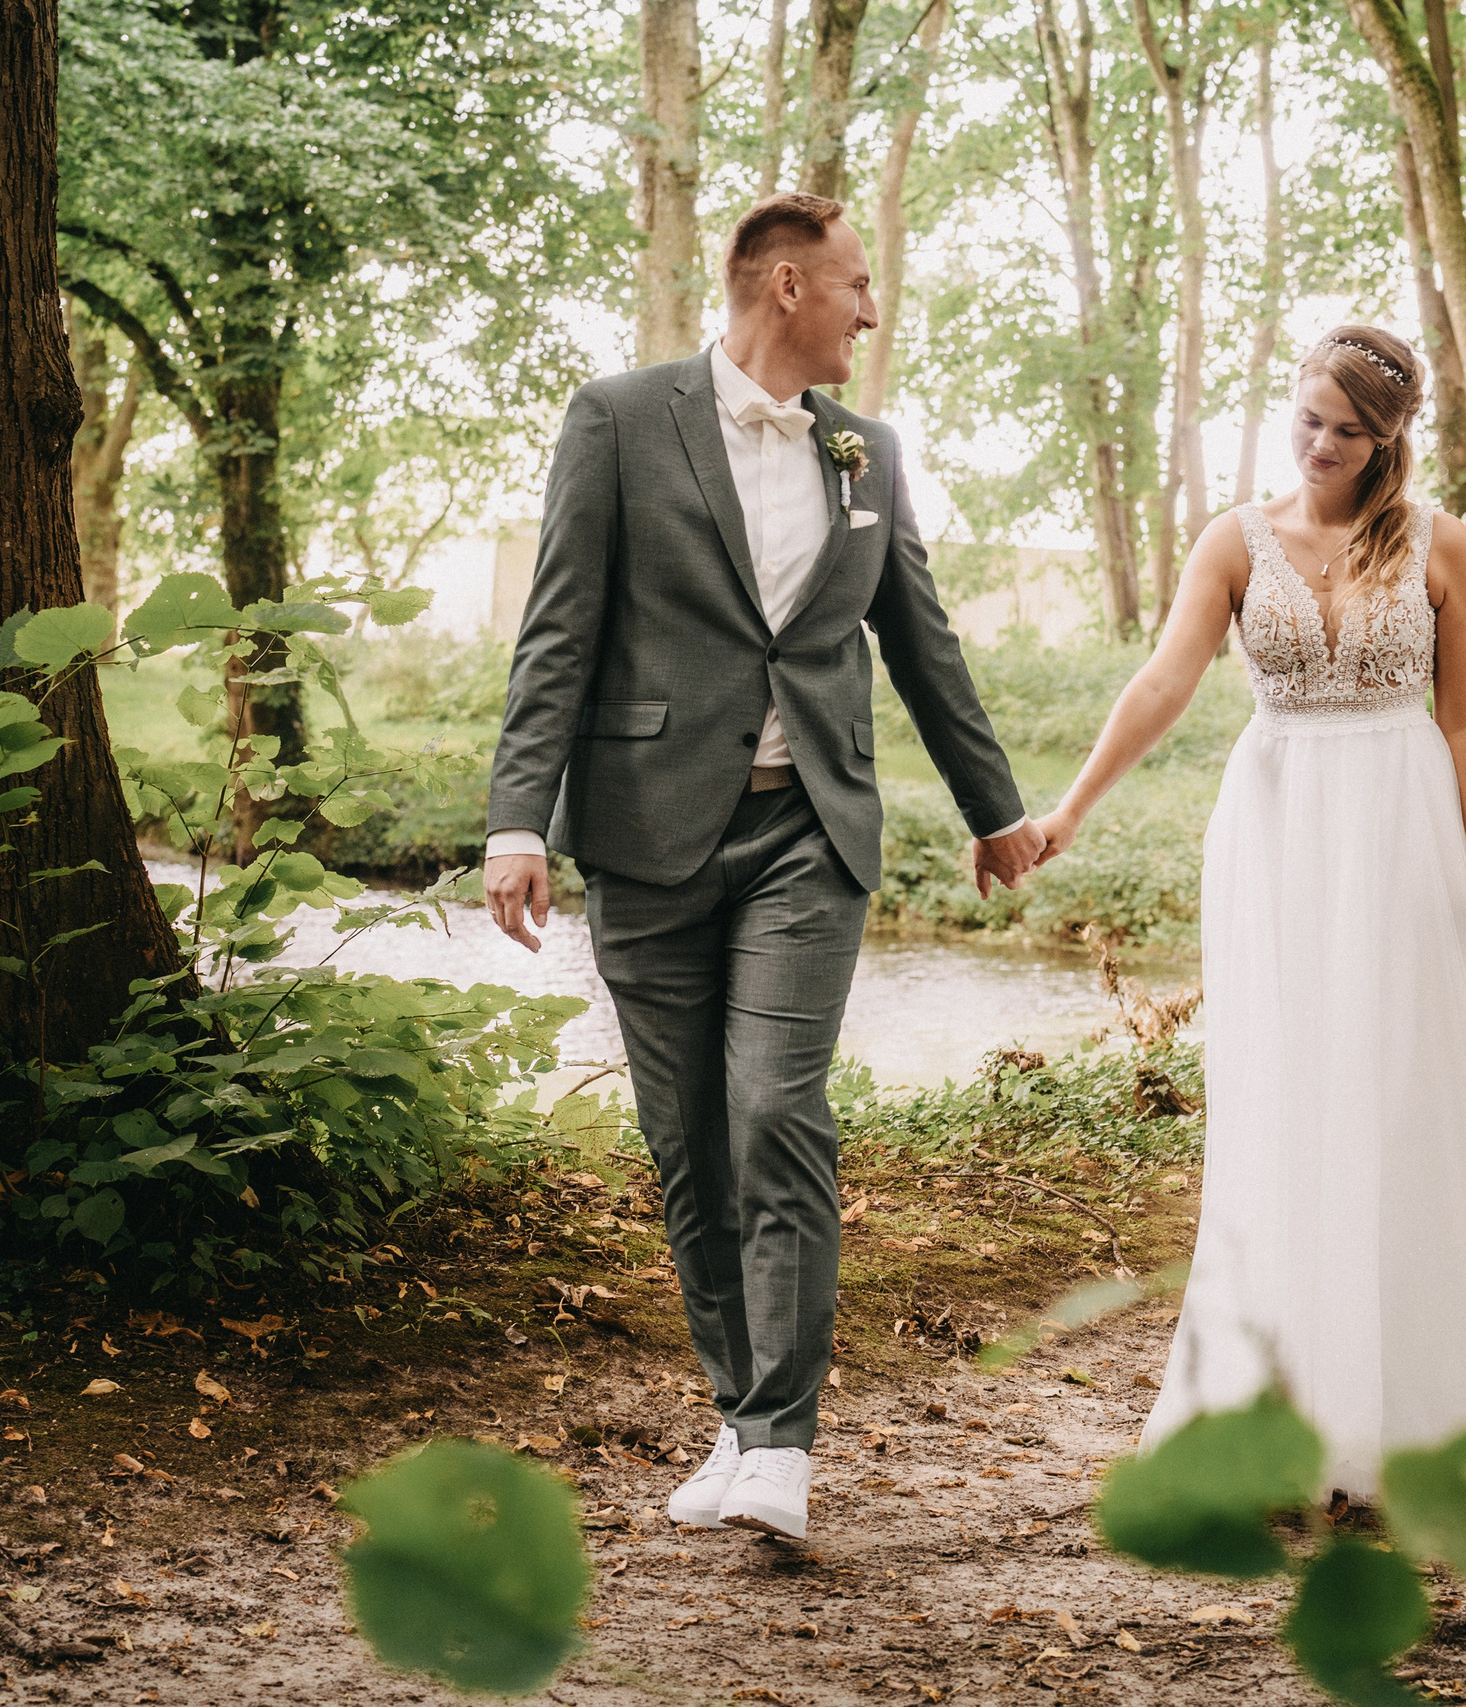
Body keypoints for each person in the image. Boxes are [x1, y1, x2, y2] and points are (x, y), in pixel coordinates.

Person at [1034, 326, 1466, 1498]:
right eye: (1309, 420)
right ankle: (1284, 1403)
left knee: (1410, 1087)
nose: (1323, 444)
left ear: (1388, 439)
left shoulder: (1441, 544)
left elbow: (1461, 719)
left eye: (1350, 431)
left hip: (1402, 827)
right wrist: (1071, 809)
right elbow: (1164, 680)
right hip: (1279, 829)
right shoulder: (1233, 542)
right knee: (1291, 1095)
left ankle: (1445, 1399)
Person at [482, 192, 1047, 1541]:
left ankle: (784, 1443)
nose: (871, 311)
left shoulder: (867, 450)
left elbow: (922, 640)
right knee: (688, 1142)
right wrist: (517, 820)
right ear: (786, 286)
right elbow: (559, 628)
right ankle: (739, 1417)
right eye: (856, 285)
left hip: (810, 832)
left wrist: (995, 810)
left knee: (773, 1110)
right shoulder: (618, 419)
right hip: (647, 831)